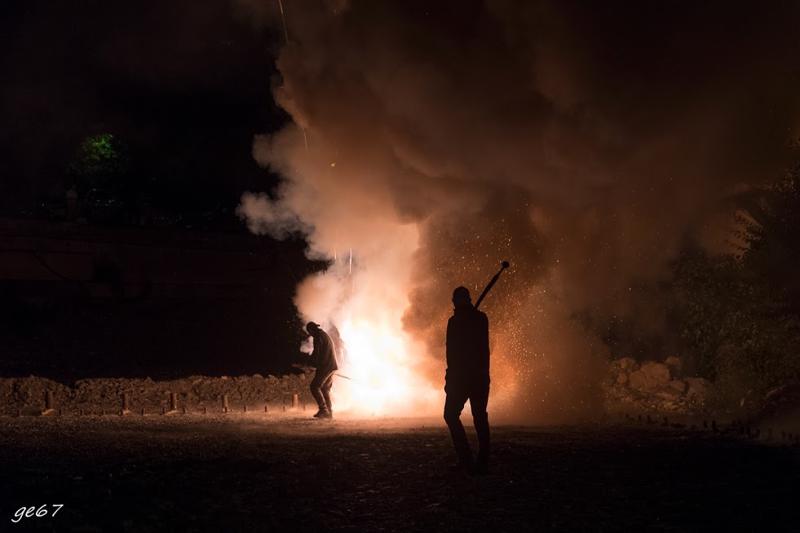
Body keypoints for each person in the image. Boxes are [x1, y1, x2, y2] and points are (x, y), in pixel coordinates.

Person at [444, 286, 491, 474]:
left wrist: (450, 378)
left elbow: (452, 354)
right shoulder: (479, 319)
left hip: (464, 378)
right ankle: (479, 461)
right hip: (478, 377)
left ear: (455, 301)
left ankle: (469, 461)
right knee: (478, 416)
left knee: (452, 415)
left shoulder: (459, 322)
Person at [304, 321, 338, 419]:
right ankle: (329, 412)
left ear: (311, 330)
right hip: (331, 365)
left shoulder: (318, 337)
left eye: (309, 332)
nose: (309, 334)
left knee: (314, 386)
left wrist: (310, 364)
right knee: (325, 389)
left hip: (326, 366)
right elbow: (319, 354)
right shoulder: (323, 335)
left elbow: (316, 353)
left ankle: (323, 410)